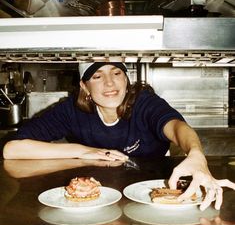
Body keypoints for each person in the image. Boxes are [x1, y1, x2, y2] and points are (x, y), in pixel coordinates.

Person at [3, 62, 235, 211]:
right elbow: (12, 150)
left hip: (152, 195)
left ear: (126, 80)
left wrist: (196, 154)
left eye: (117, 73)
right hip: (95, 202)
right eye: (97, 76)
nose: (110, 83)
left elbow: (176, 127)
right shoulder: (71, 110)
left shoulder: (144, 103)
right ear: (84, 87)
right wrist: (84, 151)